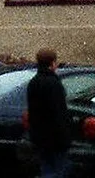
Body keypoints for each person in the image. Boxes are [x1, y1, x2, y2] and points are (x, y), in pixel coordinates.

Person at [25, 46, 72, 178]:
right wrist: (65, 136)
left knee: (46, 168)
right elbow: (59, 111)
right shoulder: (53, 83)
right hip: (55, 138)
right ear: (52, 63)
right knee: (58, 170)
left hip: (39, 136)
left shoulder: (33, 82)